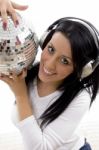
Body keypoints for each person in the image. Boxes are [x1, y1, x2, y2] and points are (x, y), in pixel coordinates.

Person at [0, 1, 99, 150]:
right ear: (44, 40)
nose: (49, 64)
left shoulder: (80, 98)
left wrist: (21, 95)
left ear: (83, 69)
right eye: (51, 49)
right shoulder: (28, 70)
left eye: (65, 61)